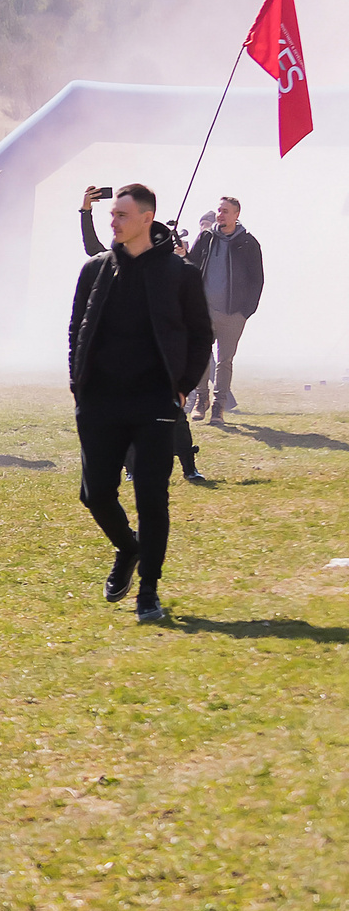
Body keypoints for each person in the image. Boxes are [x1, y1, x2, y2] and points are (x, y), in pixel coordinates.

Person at [69, 183, 214, 624]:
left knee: (151, 497)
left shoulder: (180, 273)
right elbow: (76, 329)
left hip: (155, 400)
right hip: (99, 400)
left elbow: (200, 334)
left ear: (147, 218)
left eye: (121, 216)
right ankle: (128, 548)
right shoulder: (95, 269)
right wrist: (79, 382)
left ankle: (148, 589)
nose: (112, 223)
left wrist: (183, 385)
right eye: (111, 215)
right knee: (94, 494)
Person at [81, 188, 207, 486]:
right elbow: (91, 247)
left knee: (173, 414)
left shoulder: (170, 266)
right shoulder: (112, 261)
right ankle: (130, 467)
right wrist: (85, 212)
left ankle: (189, 465)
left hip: (159, 353)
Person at [184, 195, 263, 424]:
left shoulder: (248, 242)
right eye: (219, 210)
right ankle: (201, 399)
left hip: (233, 313)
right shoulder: (206, 238)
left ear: (237, 214)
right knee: (199, 354)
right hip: (203, 309)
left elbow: (256, 279)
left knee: (224, 360)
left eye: (226, 211)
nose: (221, 215)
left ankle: (218, 406)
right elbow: (192, 267)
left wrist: (245, 311)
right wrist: (183, 256)